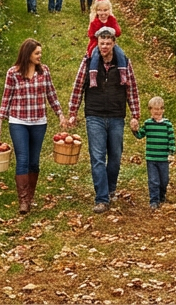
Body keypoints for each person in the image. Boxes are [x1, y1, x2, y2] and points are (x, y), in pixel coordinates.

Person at [66, 26, 140, 214]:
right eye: (102, 43)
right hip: (95, 115)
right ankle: (102, 198)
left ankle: (111, 188)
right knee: (97, 158)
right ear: (97, 43)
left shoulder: (123, 63)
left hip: (116, 115)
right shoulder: (89, 62)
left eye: (108, 43)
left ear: (114, 43)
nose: (105, 46)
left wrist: (135, 114)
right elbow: (78, 86)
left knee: (115, 157)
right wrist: (73, 111)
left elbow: (131, 89)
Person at [0, 39, 64, 215]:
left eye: (40, 53)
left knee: (34, 161)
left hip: (39, 121)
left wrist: (60, 115)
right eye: (37, 53)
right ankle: (23, 201)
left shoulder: (44, 71)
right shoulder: (13, 73)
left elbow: (51, 94)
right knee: (23, 159)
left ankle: (30, 196)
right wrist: (0, 122)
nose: (40, 56)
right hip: (18, 121)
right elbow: (6, 98)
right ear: (28, 54)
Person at [134, 96, 175, 210]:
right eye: (154, 109)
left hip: (163, 158)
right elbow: (140, 135)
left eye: (159, 109)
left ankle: (162, 195)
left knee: (164, 180)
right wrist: (135, 129)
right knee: (153, 180)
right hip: (151, 158)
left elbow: (171, 139)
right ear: (150, 110)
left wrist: (171, 152)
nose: (157, 111)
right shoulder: (148, 124)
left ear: (163, 110)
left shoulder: (167, 124)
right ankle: (154, 201)